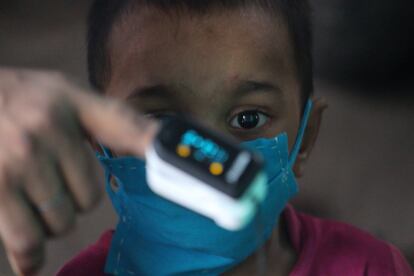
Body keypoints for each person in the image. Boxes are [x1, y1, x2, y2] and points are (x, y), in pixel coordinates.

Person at [0, 0, 412, 275]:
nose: (207, 160)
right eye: (160, 121)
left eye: (248, 118)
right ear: (101, 144)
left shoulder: (371, 267)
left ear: (304, 140)